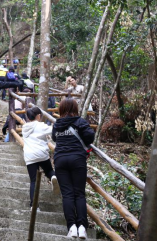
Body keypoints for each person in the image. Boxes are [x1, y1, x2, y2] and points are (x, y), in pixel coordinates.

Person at [52, 98, 95, 239]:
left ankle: (71, 227)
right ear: (75, 108)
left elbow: (54, 138)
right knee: (79, 194)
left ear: (62, 109)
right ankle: (82, 227)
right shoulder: (80, 122)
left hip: (60, 160)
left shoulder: (57, 124)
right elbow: (90, 137)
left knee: (67, 195)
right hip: (77, 159)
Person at [22, 107, 60, 210]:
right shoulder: (41, 126)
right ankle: (52, 177)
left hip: (30, 156)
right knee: (49, 170)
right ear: (38, 116)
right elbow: (53, 130)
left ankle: (33, 206)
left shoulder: (25, 127)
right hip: (41, 154)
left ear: (28, 117)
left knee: (33, 181)